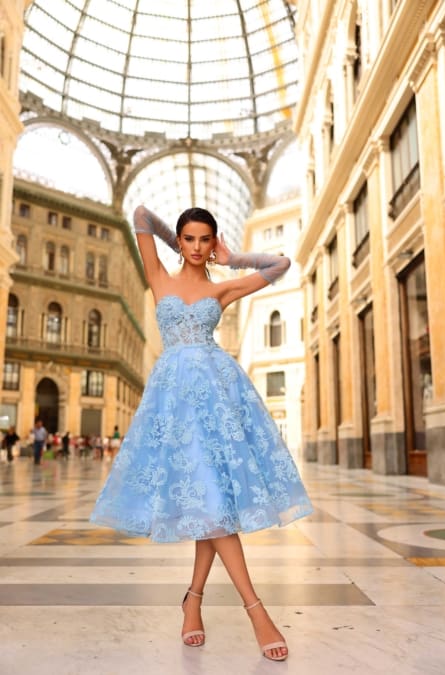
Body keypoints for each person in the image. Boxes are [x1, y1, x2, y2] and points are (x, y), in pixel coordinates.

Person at [90, 205, 313, 662]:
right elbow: (140, 214)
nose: (195, 248)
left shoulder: (222, 287)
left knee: (211, 503)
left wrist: (232, 260)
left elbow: (281, 265)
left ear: (214, 242)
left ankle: (194, 601)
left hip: (217, 396)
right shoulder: (158, 277)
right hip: (173, 403)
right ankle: (253, 610)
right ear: (181, 242)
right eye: (188, 239)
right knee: (211, 504)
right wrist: (174, 242)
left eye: (203, 240)